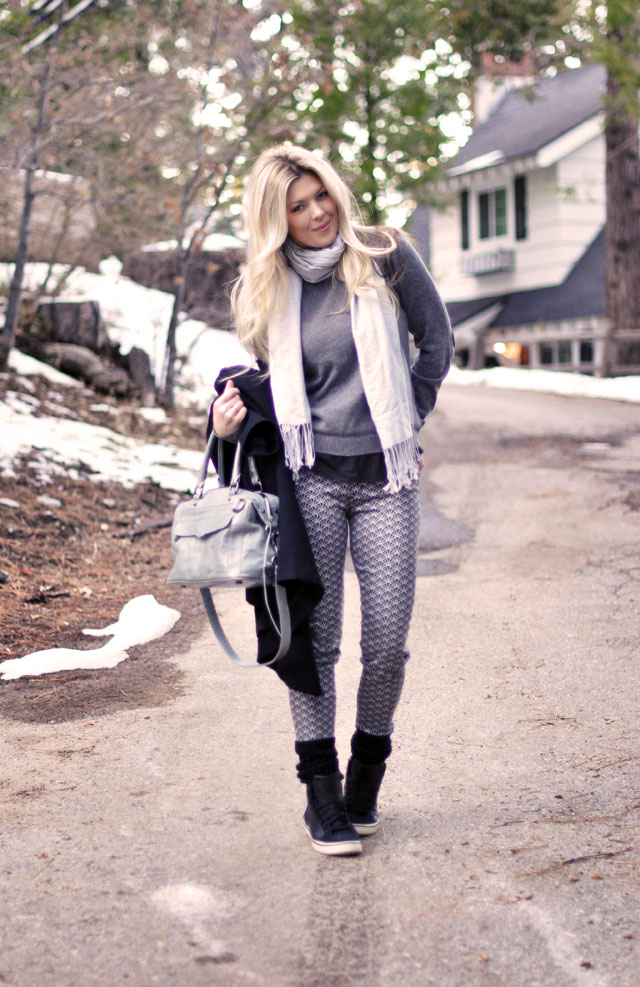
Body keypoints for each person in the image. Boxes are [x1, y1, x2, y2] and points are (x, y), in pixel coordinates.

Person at [213, 145, 453, 856]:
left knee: (386, 646)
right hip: (310, 478)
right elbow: (268, 383)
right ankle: (321, 794)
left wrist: (411, 411)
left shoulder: (384, 255)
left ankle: (365, 778)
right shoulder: (268, 287)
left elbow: (435, 341)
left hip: (386, 478)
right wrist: (229, 421)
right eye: (298, 205)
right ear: (275, 218)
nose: (318, 213)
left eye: (322, 196)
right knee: (314, 643)